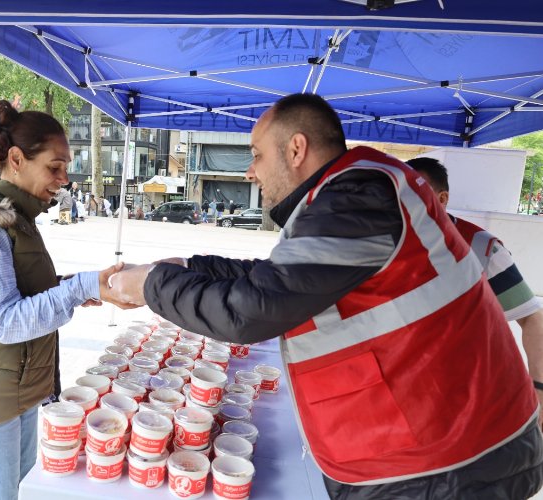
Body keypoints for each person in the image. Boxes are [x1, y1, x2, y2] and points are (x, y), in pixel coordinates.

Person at [107, 93, 543, 499]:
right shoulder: (347, 196)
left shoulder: (358, 197)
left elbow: (253, 311)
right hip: (431, 451)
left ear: (296, 149)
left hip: (444, 464)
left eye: (257, 156)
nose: (249, 172)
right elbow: (281, 278)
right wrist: (189, 267)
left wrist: (150, 285)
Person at [0, 100, 129, 500]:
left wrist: (70, 286)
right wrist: (78, 288)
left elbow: (12, 290)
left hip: (13, 388)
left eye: (66, 166)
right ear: (16, 159)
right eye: (54, 166)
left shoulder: (16, 216)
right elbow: (6, 321)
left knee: (19, 490)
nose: (64, 178)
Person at [408, 157, 543, 413]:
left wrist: (538, 386)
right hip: (407, 397)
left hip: (472, 398)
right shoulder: (382, 247)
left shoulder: (481, 247)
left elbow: (532, 318)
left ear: (441, 199)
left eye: (412, 196)